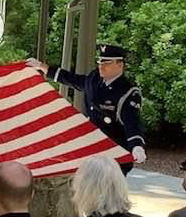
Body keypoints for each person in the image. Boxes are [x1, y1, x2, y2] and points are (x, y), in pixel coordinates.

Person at [27, 44, 146, 173]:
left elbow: (132, 122)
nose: (101, 66)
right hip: (91, 148)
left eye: (106, 62)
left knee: (107, 190)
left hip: (113, 152)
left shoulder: (127, 91)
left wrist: (136, 146)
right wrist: (42, 66)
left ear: (120, 65)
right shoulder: (94, 78)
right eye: (99, 62)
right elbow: (73, 80)